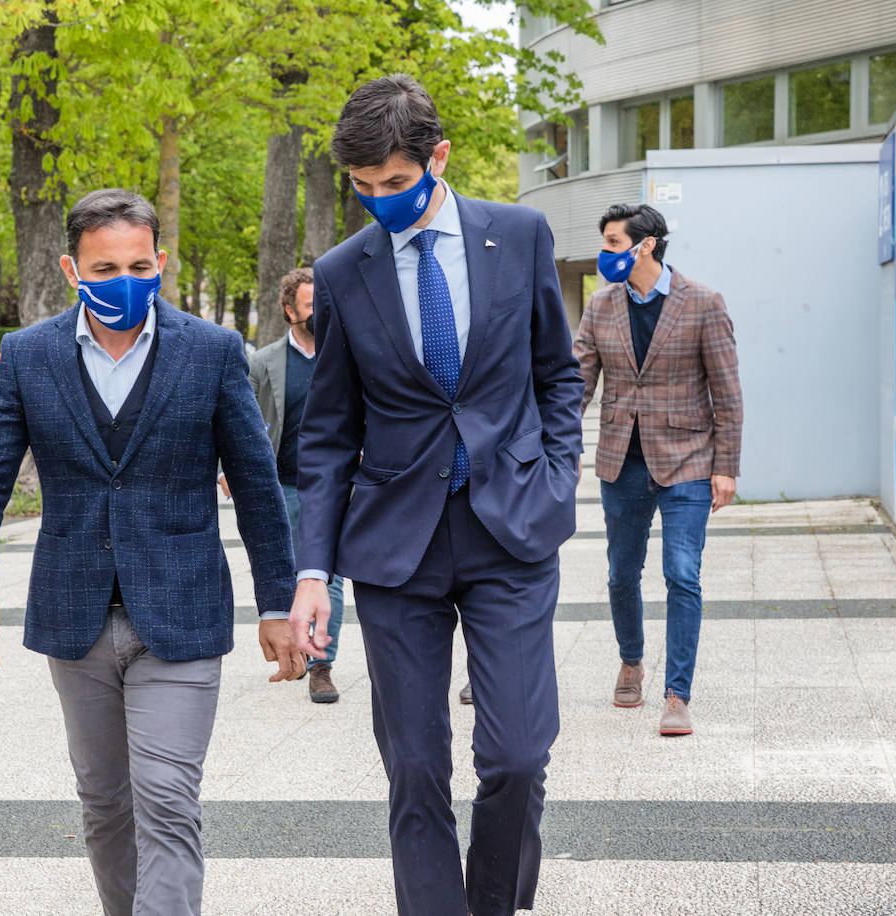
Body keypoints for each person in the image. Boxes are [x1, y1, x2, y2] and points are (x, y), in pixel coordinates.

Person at [0, 189, 299, 916]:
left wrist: (276, 602)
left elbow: (260, 488)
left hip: (182, 612)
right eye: (104, 268)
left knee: (166, 800)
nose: (123, 281)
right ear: (72, 270)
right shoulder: (29, 354)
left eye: (139, 265)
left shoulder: (210, 351)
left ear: (160, 262)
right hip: (74, 618)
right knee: (106, 805)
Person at [290, 75, 584, 916]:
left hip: (511, 531)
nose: (379, 201)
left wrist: (556, 477)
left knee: (521, 754)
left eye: (395, 183)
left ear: (437, 157)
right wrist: (315, 572)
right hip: (394, 546)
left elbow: (556, 375)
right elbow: (329, 430)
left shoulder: (519, 235)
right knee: (415, 766)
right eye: (363, 188)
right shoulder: (344, 273)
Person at [572, 203, 743, 736]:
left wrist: (726, 466)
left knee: (682, 574)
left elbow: (727, 391)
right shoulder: (600, 307)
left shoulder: (704, 304)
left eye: (613, 243)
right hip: (622, 459)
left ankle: (677, 694)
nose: (605, 253)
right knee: (623, 573)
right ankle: (631, 659)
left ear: (646, 245)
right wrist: (554, 447)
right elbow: (577, 383)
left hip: (689, 457)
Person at [221, 267, 348, 703]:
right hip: (283, 485)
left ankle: (321, 665)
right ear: (290, 310)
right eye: (312, 307)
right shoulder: (262, 362)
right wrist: (230, 469)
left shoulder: (345, 354)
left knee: (328, 576)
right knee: (295, 575)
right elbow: (243, 420)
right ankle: (296, 645)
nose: (320, 315)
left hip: (335, 486)